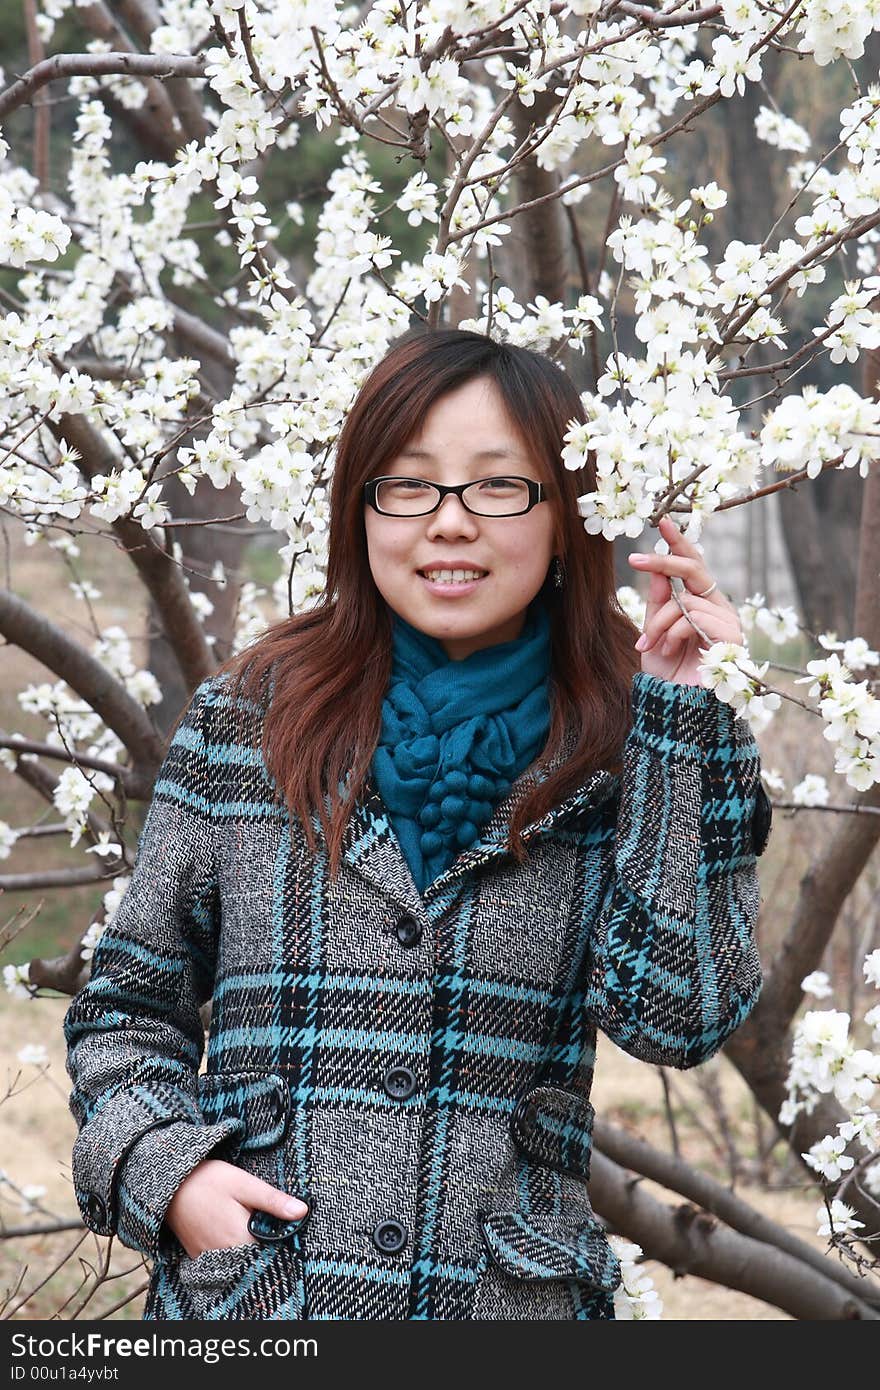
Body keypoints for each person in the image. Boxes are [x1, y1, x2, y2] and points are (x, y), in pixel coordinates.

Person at [63, 327, 772, 1321]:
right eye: (407, 485)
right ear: (359, 509)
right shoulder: (246, 721)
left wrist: (686, 719)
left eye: (497, 486)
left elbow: (677, 1018)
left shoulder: (628, 740)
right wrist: (173, 1179)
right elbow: (125, 1012)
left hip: (504, 1306)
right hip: (260, 1301)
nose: (448, 523)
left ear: (568, 515)